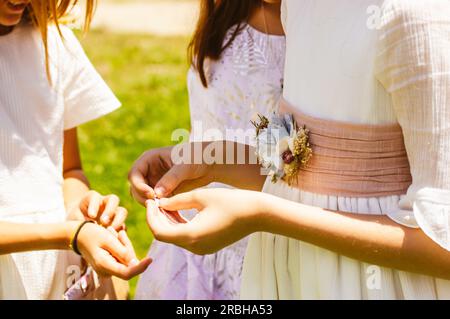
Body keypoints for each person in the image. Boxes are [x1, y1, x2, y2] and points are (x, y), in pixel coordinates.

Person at [131, 0, 450, 299]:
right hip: (288, 275)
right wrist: (211, 159)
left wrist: (262, 214)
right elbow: (290, 160)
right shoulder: (300, 7)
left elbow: (441, 242)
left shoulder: (416, 16)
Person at [133, 0, 285, 300]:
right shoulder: (225, 10)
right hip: (197, 243)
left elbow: (294, 167)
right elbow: (216, 119)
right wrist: (179, 159)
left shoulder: (310, 31)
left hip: (270, 248)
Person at [0, 0, 150, 299]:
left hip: (60, 269)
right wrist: (71, 234)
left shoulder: (51, 42)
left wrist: (81, 211)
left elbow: (70, 169)